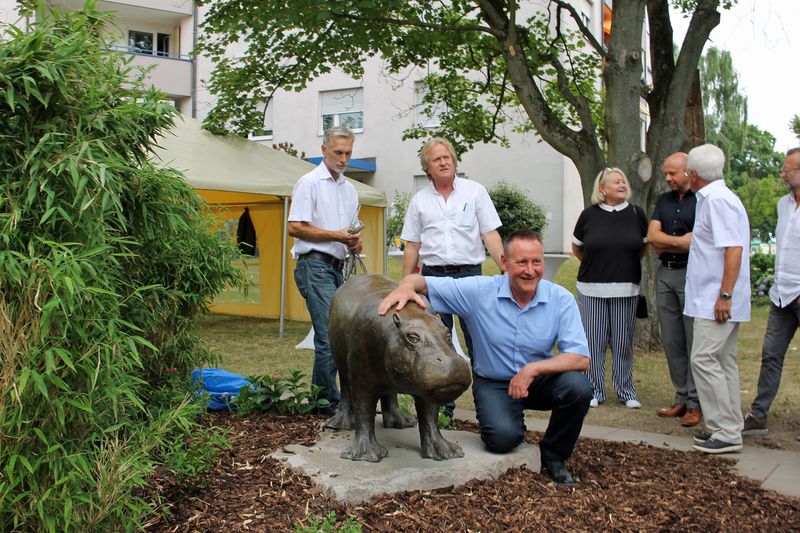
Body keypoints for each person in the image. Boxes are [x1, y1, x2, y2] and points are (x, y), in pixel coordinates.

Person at [378, 229, 592, 486]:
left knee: (578, 388)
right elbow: (420, 281)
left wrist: (532, 370)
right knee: (502, 440)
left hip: (538, 380)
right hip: (495, 383)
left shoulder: (560, 299)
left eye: (536, 262)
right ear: (504, 263)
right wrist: (404, 288)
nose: (530, 270)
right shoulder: (479, 292)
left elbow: (580, 358)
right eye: (521, 262)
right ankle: (509, 423)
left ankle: (554, 456)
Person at [401, 137, 503, 419]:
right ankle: (442, 414)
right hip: (433, 280)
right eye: (437, 159)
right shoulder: (419, 201)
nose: (444, 162)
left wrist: (506, 269)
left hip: (470, 276)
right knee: (436, 348)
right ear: (427, 168)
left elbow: (490, 234)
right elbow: (412, 245)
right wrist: (406, 284)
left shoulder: (475, 192)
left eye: (447, 157)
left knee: (479, 345)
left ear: (454, 161)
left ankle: (488, 412)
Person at [288, 127, 362, 415]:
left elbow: (347, 232)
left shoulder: (350, 189)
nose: (343, 159)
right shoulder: (309, 182)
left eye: (348, 153)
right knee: (330, 336)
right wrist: (337, 236)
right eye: (338, 152)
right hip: (314, 265)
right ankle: (325, 404)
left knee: (342, 336)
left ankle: (336, 400)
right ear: (324, 150)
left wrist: (353, 242)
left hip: (337, 267)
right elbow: (295, 227)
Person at [683, 143, 750, 454]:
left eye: (687, 171)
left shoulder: (717, 201)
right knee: (723, 361)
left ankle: (725, 429)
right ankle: (731, 425)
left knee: (703, 359)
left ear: (694, 175)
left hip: (716, 300)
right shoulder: (715, 199)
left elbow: (733, 249)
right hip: (714, 297)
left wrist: (724, 295)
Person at [571, 168, 648, 409]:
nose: (622, 184)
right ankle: (594, 389)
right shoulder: (588, 215)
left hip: (626, 288)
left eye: (623, 181)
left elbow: (643, 247)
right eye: (616, 181)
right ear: (602, 189)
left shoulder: (636, 214)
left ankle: (626, 391)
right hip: (591, 289)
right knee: (593, 342)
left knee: (622, 343)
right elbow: (577, 248)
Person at [743, 147, 800, 437]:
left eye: (787, 169)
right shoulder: (782, 204)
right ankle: (759, 414)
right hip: (781, 295)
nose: (782, 174)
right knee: (771, 355)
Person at [648, 152, 702, 427]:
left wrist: (667, 241)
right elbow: (653, 237)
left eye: (672, 173)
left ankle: (695, 402)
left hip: (692, 274)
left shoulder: (702, 200)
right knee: (672, 340)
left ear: (688, 171)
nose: (667, 178)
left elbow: (700, 242)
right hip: (665, 273)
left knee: (693, 340)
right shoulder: (664, 201)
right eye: (665, 173)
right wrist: (681, 242)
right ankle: (681, 396)